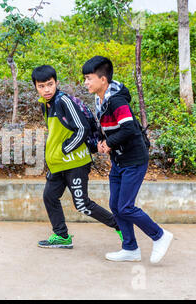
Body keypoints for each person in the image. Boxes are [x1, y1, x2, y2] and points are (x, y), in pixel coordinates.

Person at [82, 55, 173, 263]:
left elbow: (129, 128)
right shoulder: (101, 99)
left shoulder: (116, 100)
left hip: (134, 159)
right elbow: (109, 128)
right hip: (119, 161)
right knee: (115, 204)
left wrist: (110, 143)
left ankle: (159, 236)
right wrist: (101, 142)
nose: (86, 83)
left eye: (89, 78)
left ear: (102, 80)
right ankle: (130, 248)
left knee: (125, 207)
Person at [32, 65, 122, 249]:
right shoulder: (45, 103)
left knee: (82, 204)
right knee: (50, 197)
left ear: (56, 83)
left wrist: (65, 150)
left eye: (50, 84)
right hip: (58, 164)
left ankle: (120, 226)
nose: (46, 89)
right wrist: (55, 156)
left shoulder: (63, 101)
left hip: (75, 163)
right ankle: (62, 236)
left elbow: (82, 129)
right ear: (36, 87)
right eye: (41, 86)